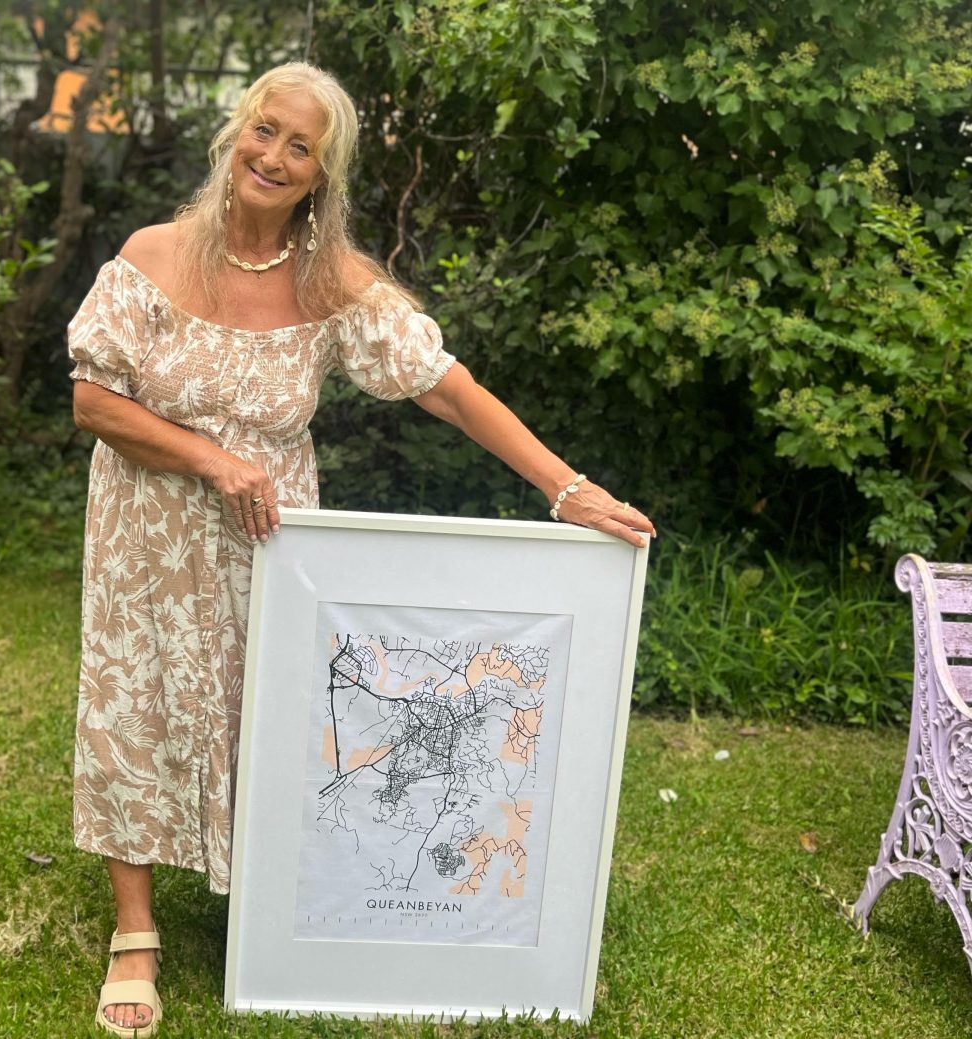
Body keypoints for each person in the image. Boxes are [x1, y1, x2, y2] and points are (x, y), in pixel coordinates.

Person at [68, 61, 655, 1037]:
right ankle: (136, 931)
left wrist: (568, 485)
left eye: (302, 147)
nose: (274, 155)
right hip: (148, 530)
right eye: (264, 131)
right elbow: (95, 402)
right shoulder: (153, 255)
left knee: (275, 710)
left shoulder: (331, 281)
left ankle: (274, 896)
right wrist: (212, 459)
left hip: (273, 537)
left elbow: (442, 383)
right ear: (234, 135)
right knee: (135, 704)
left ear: (321, 177)